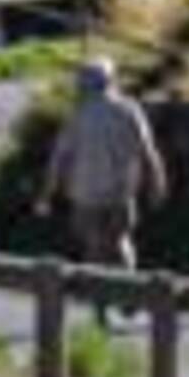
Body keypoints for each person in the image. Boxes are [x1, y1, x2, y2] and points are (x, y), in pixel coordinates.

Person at [44, 59, 169, 272]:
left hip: (86, 195)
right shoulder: (129, 110)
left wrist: (47, 193)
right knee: (121, 240)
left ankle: (99, 300)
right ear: (111, 81)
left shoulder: (78, 115)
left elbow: (60, 158)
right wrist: (158, 182)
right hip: (120, 193)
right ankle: (129, 289)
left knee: (94, 245)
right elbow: (148, 150)